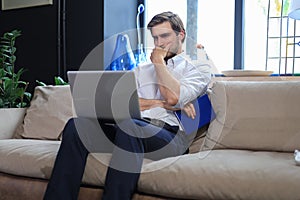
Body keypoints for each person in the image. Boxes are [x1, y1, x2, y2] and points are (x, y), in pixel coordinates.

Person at [44, 11, 212, 200]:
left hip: (171, 136)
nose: (159, 44)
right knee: (77, 126)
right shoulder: (141, 70)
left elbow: (172, 97)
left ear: (181, 35)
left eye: (165, 36)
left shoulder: (198, 67)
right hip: (131, 128)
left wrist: (158, 63)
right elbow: (126, 103)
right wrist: (160, 103)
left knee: (129, 126)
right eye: (155, 38)